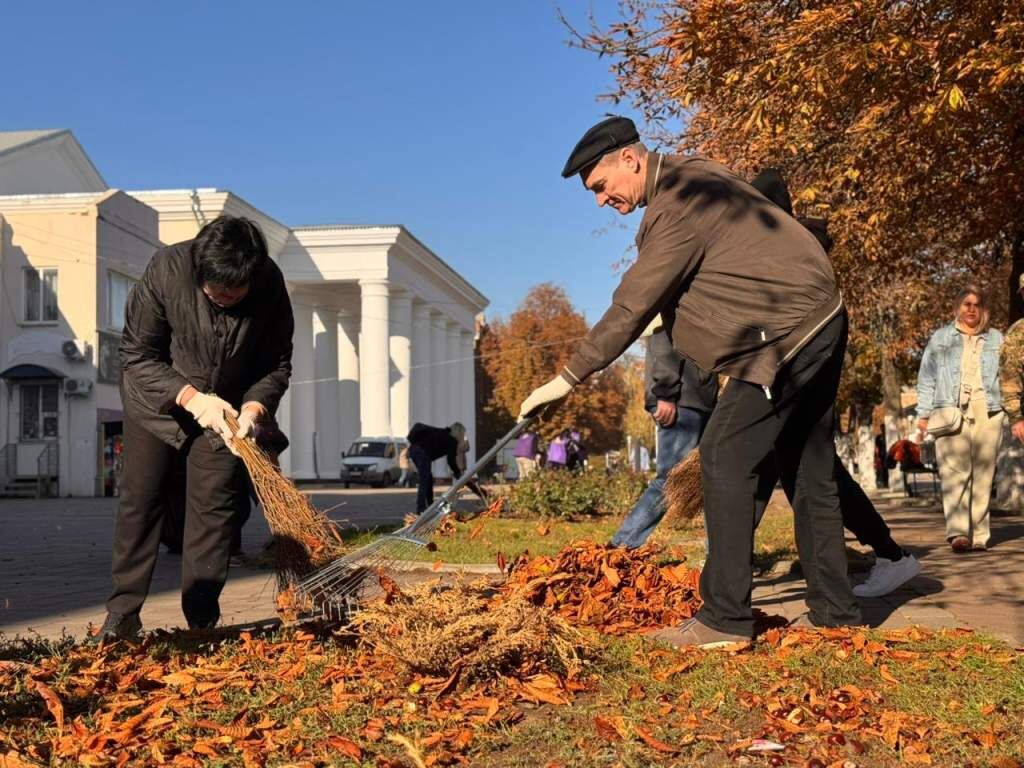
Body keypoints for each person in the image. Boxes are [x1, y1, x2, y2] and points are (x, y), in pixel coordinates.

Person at [520, 116, 861, 648]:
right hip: (823, 316)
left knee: (722, 457)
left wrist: (567, 378)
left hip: (786, 334)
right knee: (807, 465)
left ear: (629, 159)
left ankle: (724, 619)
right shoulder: (697, 173)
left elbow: (631, 302)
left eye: (601, 186)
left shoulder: (675, 204)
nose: (601, 200)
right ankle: (837, 612)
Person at [90, 215, 294, 644]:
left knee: (214, 510)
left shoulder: (269, 284)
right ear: (198, 269)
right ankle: (123, 612)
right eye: (214, 291)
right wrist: (191, 398)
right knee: (140, 502)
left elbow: (276, 362)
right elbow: (137, 354)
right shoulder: (166, 269)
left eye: (234, 293)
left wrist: (254, 406)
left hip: (226, 411)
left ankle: (201, 618)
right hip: (156, 405)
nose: (223, 299)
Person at [749, 168, 919, 597]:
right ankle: (885, 556)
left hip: (791, 379)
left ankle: (885, 558)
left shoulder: (785, 253)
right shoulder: (791, 248)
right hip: (794, 377)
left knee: (794, 476)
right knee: (803, 475)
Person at [611, 320, 717, 549]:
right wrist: (666, 393)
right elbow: (664, 342)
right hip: (682, 400)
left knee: (712, 479)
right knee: (670, 480)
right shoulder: (675, 302)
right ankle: (622, 546)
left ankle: (720, 556)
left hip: (698, 400)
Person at [917, 285, 1005, 552]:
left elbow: (1010, 375)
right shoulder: (941, 338)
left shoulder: (996, 338)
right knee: (954, 472)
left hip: (988, 409)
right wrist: (923, 412)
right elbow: (927, 376)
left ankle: (980, 534)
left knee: (983, 472)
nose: (971, 308)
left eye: (976, 304)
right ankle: (958, 533)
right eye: (966, 303)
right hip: (949, 409)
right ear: (957, 308)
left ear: (983, 310)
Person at [406, 421, 485, 516]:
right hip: (421, 452)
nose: (463, 436)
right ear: (459, 432)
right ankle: (421, 508)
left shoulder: (443, 434)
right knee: (425, 479)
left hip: (414, 450)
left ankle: (429, 506)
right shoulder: (452, 440)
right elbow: (451, 461)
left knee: (428, 478)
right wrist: (457, 473)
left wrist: (457, 473)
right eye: (463, 434)